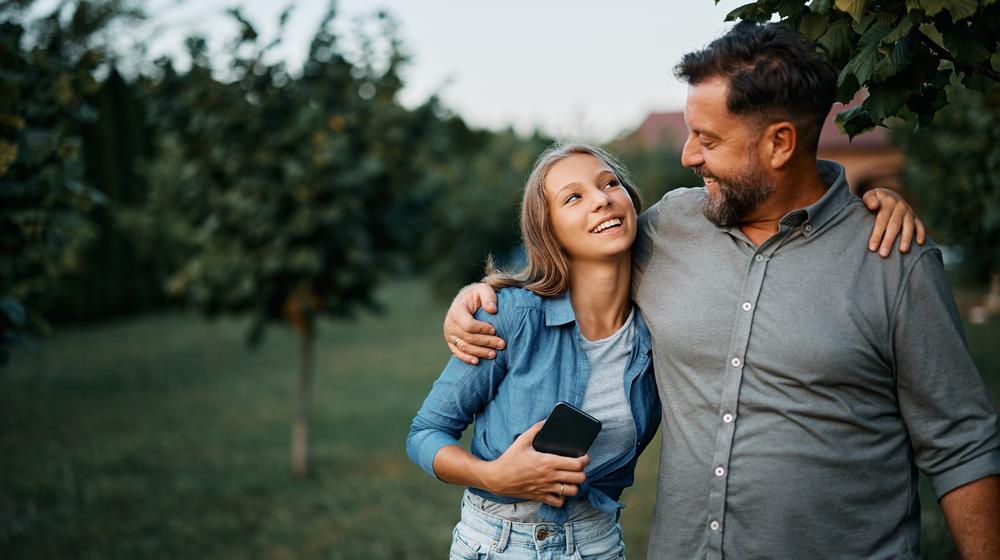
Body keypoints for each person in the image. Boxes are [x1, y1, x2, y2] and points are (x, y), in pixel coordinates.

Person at [442, 21, 1000, 560]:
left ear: (780, 143)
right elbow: (571, 258)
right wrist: (478, 294)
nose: (687, 155)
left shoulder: (889, 261)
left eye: (707, 139)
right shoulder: (666, 229)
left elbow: (962, 446)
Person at [412, 139, 919, 559]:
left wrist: (857, 211)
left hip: (598, 543)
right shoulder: (513, 316)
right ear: (551, 232)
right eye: (573, 198)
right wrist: (493, 474)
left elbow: (764, 209)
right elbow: (426, 432)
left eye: (609, 184)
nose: (601, 199)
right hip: (498, 542)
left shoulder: (661, 329)